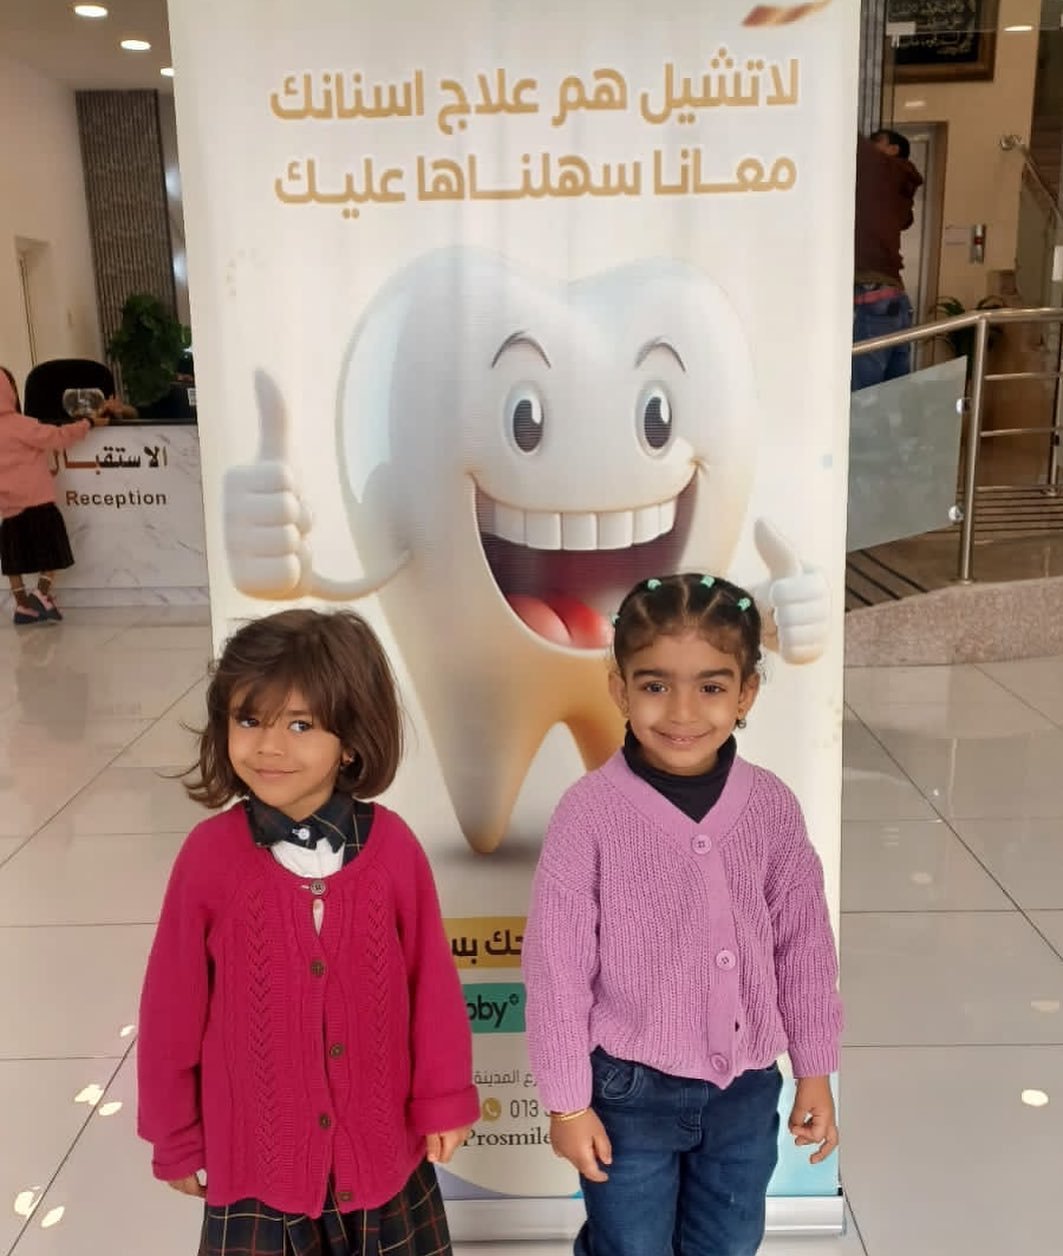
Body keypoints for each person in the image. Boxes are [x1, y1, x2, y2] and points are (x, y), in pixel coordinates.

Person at [137, 608, 479, 1256]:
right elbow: (170, 1010)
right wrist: (174, 1134)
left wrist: (445, 1098)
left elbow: (431, 987)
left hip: (381, 1158)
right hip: (257, 1171)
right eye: (248, 721)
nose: (268, 747)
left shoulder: (394, 850)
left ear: (350, 740)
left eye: (300, 725)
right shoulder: (208, 858)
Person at [523, 573, 843, 1256]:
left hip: (745, 1090)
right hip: (626, 1091)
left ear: (746, 693)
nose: (682, 711)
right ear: (620, 688)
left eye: (711, 687)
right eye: (655, 685)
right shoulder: (588, 813)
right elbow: (556, 969)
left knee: (727, 1242)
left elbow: (804, 946)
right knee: (629, 1245)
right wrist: (567, 1103)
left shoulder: (771, 806)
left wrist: (813, 1066)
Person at [0, 366, 110, 625]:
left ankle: (22, 606)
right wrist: (88, 423)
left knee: (14, 559)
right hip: (37, 501)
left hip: (8, 506)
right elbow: (59, 437)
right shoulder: (21, 425)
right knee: (52, 551)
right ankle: (41, 593)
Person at [852, 128, 924, 390]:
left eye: (877, 142)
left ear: (893, 150)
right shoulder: (897, 187)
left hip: (874, 295)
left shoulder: (884, 168)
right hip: (894, 300)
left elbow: (849, 136)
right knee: (892, 394)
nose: (871, 147)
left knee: (863, 393)